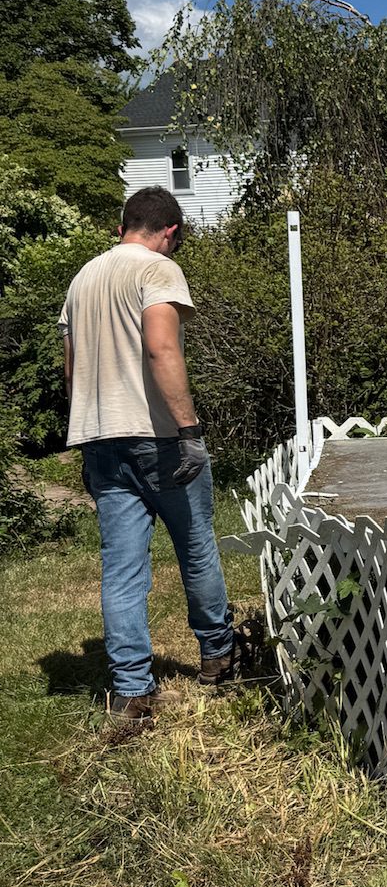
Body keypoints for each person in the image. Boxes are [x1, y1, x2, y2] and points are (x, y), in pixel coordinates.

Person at [60, 186, 234, 734]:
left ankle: (132, 690)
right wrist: (189, 429)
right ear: (171, 232)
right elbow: (162, 348)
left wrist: (90, 429)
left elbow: (70, 371)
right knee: (196, 547)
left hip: (99, 437)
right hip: (157, 437)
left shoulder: (82, 280)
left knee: (123, 568)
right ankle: (218, 658)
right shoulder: (158, 270)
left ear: (121, 227)